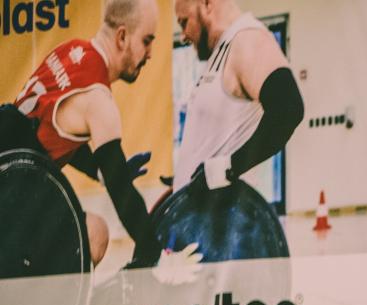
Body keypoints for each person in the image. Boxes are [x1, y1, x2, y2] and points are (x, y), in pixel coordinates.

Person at [9, 0, 181, 267]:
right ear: (122, 36)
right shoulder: (98, 99)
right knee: (95, 233)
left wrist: (100, 170)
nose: (150, 53)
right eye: (146, 41)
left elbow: (50, 134)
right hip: (11, 213)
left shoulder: (69, 50)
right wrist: (157, 255)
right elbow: (122, 193)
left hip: (9, 190)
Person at [172, 0, 304, 194]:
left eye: (184, 22)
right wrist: (185, 175)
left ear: (207, 4)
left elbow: (287, 108)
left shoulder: (247, 39)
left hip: (226, 219)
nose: (183, 36)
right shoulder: (221, 50)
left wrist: (226, 169)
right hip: (201, 218)